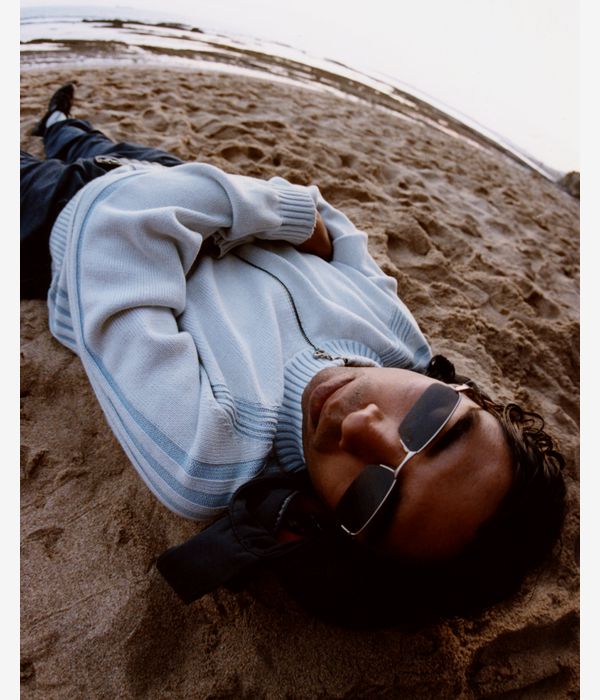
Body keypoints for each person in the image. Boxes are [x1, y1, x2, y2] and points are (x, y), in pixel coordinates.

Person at [21, 83, 567, 627]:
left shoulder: (210, 450)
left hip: (59, 213)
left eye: (372, 496)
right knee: (84, 139)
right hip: (170, 176)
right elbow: (333, 220)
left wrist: (283, 221)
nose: (361, 426)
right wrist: (291, 218)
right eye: (432, 421)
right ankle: (57, 124)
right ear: (467, 393)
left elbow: (113, 231)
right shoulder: (401, 342)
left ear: (330, 526)